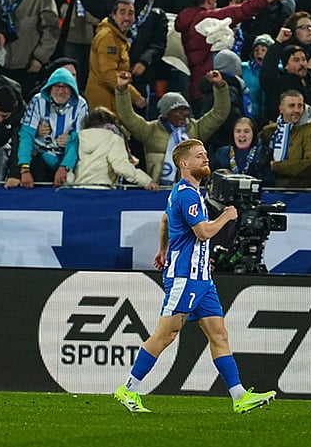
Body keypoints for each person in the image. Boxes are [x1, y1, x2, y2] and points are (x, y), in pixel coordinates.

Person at [113, 138, 276, 414]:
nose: (206, 159)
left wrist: (162, 249)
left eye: (205, 155)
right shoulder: (188, 194)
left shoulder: (189, 192)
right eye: (199, 156)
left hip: (202, 279)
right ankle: (128, 388)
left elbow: (165, 220)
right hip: (185, 277)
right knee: (166, 334)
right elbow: (203, 232)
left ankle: (239, 396)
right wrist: (227, 216)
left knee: (219, 335)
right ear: (184, 163)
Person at [114, 69, 230, 186]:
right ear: (166, 114)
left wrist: (220, 86)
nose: (184, 114)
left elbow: (219, 113)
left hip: (189, 190)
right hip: (158, 190)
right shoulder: (150, 131)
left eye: (185, 110)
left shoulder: (196, 129)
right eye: (178, 110)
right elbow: (127, 116)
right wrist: (122, 90)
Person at [7, 67, 88, 189]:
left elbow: (78, 140)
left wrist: (65, 166)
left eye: (65, 87)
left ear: (72, 88)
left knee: (70, 184)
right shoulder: (37, 101)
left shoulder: (81, 105)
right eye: (57, 86)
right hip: (41, 155)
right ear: (50, 87)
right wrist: (24, 169)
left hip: (68, 158)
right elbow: (26, 135)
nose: (60, 91)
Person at [72, 106, 157, 190]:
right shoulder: (113, 138)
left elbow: (70, 167)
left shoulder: (78, 138)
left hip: (78, 191)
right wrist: (146, 181)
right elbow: (121, 166)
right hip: (102, 191)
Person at [258, 90, 311, 188]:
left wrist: (276, 166)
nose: (297, 110)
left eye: (300, 106)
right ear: (281, 109)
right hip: (272, 189)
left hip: (303, 191)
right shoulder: (270, 131)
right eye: (292, 106)